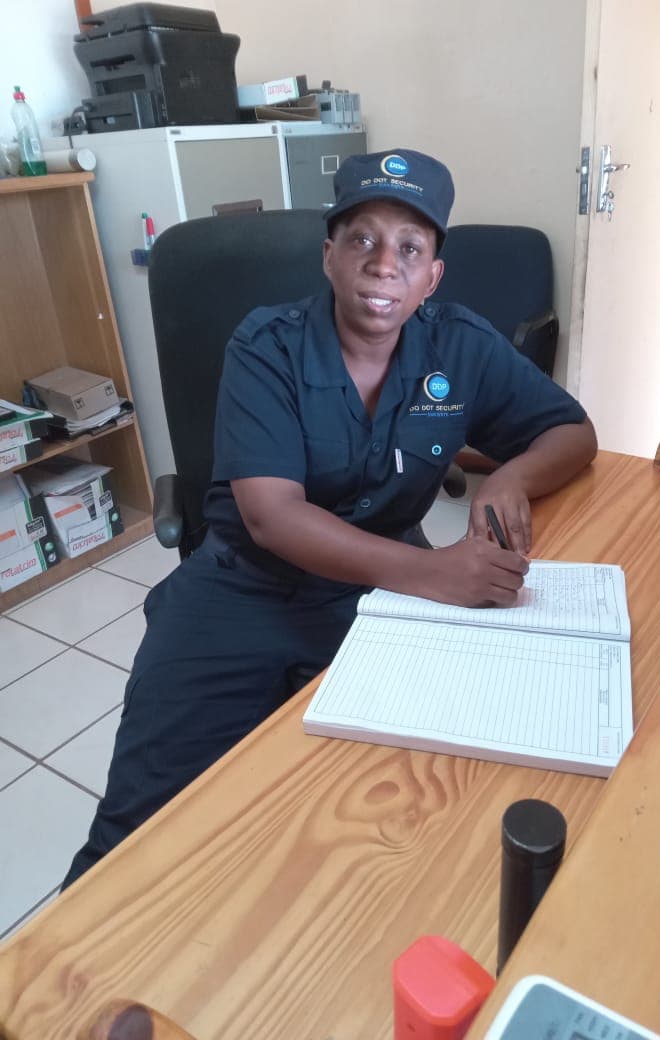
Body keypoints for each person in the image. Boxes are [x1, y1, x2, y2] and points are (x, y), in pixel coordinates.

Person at [62, 148, 597, 887]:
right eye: (362, 240)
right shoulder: (266, 345)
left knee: (408, 807)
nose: (385, 264)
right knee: (134, 835)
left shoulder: (460, 344)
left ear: (434, 274)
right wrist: (435, 572)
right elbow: (274, 518)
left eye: (410, 247)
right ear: (329, 256)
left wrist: (510, 475)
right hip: (243, 590)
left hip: (372, 591)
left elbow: (573, 433)